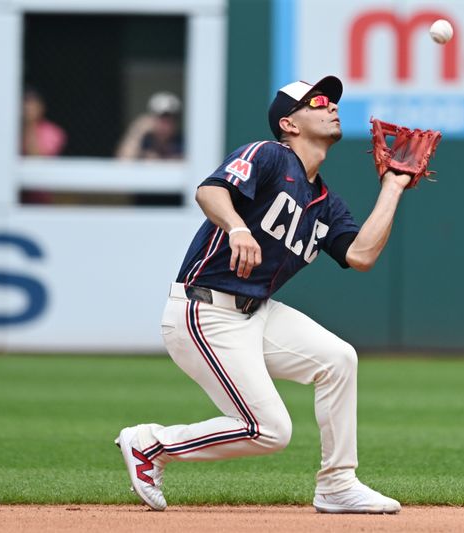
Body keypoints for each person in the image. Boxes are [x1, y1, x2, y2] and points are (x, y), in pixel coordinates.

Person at [115, 75, 413, 514]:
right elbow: (209, 190)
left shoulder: (326, 202)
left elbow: (361, 255)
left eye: (332, 101)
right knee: (268, 430)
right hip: (204, 309)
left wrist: (392, 187)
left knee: (338, 359)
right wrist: (237, 227)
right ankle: (151, 444)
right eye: (318, 101)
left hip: (256, 313)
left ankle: (338, 484)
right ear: (289, 123)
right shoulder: (269, 155)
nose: (331, 106)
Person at [115, 91, 184, 160]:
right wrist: (138, 130)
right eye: (161, 118)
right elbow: (123, 160)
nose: (165, 125)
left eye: (170, 120)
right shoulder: (144, 139)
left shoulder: (182, 143)